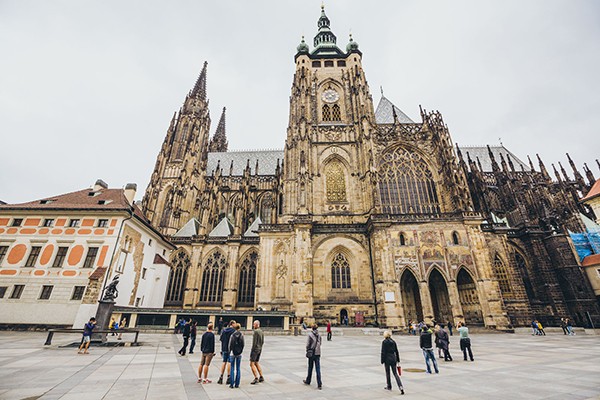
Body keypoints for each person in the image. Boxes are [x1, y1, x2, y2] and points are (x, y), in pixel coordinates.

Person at [381, 330, 404, 395]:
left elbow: (383, 352)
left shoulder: (384, 342)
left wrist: (382, 360)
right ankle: (400, 386)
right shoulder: (393, 342)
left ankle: (389, 386)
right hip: (393, 358)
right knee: (395, 373)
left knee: (388, 373)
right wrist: (398, 360)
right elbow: (397, 351)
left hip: (387, 359)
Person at [303, 324, 322, 389]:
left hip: (312, 353)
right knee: (318, 369)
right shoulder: (319, 335)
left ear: (312, 328)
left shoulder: (310, 335)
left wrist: (307, 350)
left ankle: (308, 381)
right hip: (318, 353)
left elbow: (308, 344)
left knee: (310, 367)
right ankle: (319, 384)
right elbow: (320, 343)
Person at [217, 320, 236, 385]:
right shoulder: (233, 331)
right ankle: (228, 377)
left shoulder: (224, 331)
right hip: (230, 349)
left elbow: (221, 340)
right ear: (232, 324)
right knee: (229, 362)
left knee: (224, 362)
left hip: (224, 348)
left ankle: (221, 376)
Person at [228, 323, 245, 388]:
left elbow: (230, 345)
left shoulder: (232, 335)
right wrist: (240, 351)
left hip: (232, 353)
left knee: (232, 368)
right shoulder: (241, 335)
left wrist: (230, 351)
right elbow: (243, 344)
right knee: (238, 368)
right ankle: (237, 384)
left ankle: (231, 384)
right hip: (239, 353)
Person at [250, 320, 265, 384]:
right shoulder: (261, 331)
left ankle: (256, 377)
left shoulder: (256, 332)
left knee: (251, 364)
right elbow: (263, 341)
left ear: (256, 325)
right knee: (256, 363)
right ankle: (261, 376)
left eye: (254, 324)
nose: (253, 325)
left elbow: (254, 342)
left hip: (255, 350)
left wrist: (252, 350)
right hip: (259, 349)